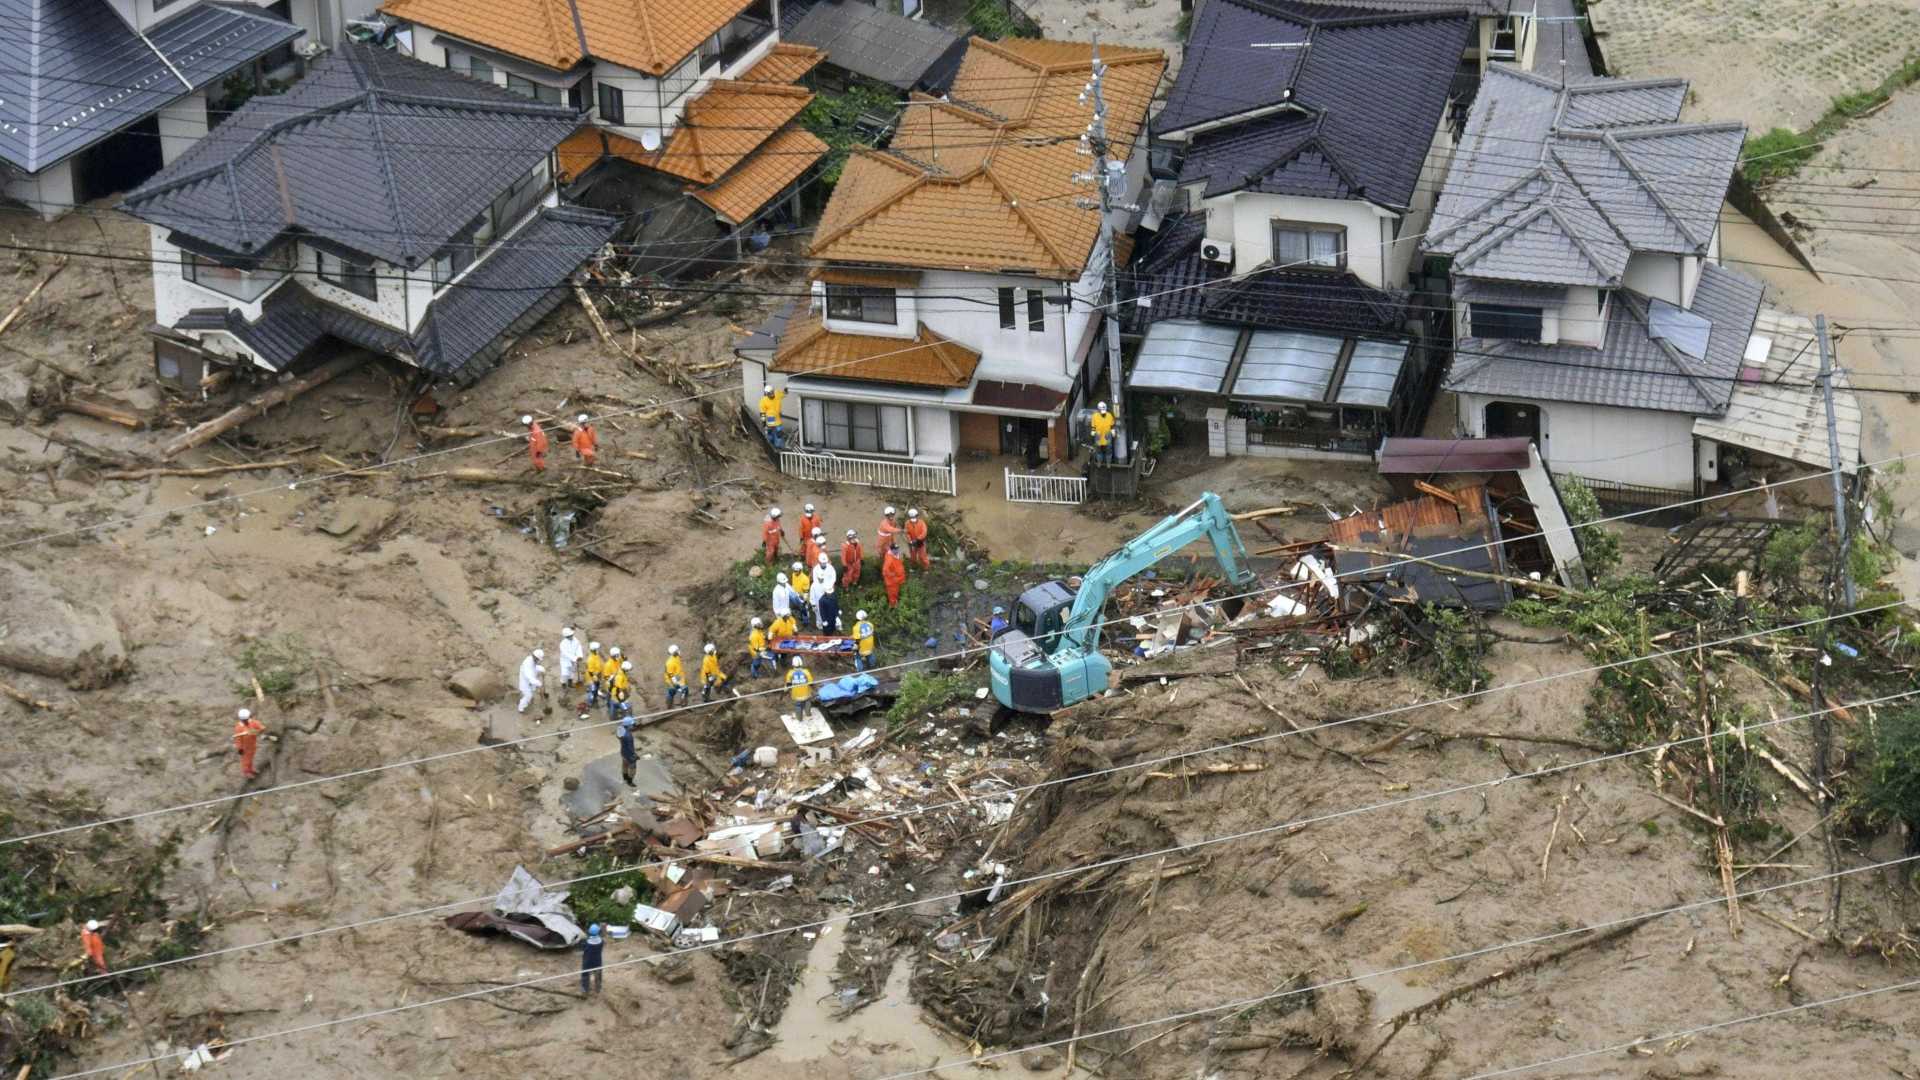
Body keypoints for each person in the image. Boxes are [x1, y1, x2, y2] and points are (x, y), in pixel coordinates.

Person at [233, 708, 266, 780]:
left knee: (251, 758)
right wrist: (240, 748)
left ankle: (250, 769)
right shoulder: (238, 728)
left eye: (246, 719)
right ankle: (246, 772)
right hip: (245, 747)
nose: (246, 721)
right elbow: (238, 739)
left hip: (252, 744)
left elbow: (261, 727)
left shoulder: (252, 722)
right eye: (244, 720)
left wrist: (259, 729)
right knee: (245, 760)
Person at [812, 552, 839, 634]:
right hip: (818, 595)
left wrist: (829, 587)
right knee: (819, 611)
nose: (824, 564)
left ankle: (832, 624)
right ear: (819, 562)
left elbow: (833, 577)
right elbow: (813, 592)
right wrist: (813, 603)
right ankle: (820, 624)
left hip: (828, 592)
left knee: (829, 610)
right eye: (822, 563)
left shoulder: (830, 568)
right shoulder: (816, 570)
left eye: (825, 563)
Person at [516, 649, 545, 715]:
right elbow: (530, 678)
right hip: (525, 681)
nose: (538, 661)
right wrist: (539, 684)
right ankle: (521, 708)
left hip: (531, 679)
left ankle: (529, 700)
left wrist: (542, 670)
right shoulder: (527, 664)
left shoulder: (532, 661)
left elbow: (535, 668)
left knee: (532, 690)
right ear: (535, 657)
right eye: (538, 659)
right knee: (528, 695)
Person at [581, 924, 605, 993]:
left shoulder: (586, 942)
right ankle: (598, 988)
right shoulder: (601, 941)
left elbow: (582, 949)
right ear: (598, 932)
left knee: (585, 975)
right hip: (597, 961)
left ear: (589, 932)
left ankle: (585, 989)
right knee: (598, 974)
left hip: (587, 961)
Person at [882, 543, 907, 608]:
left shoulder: (896, 555)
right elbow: (885, 571)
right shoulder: (889, 559)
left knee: (896, 592)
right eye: (895, 549)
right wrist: (893, 575)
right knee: (893, 593)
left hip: (897, 579)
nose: (897, 550)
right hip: (892, 581)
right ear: (891, 550)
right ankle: (893, 605)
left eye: (897, 549)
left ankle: (895, 602)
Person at [790, 561, 812, 628]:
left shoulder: (805, 579)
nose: (795, 572)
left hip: (802, 596)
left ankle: (806, 622)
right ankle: (800, 616)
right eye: (794, 570)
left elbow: (806, 591)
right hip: (795, 594)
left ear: (800, 570)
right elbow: (794, 584)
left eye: (796, 571)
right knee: (798, 608)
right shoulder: (793, 574)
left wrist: (804, 600)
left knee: (804, 609)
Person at [616, 718, 638, 786]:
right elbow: (630, 748)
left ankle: (625, 778)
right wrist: (635, 756)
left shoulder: (620, 729)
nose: (633, 725)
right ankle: (630, 782)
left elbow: (618, 736)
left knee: (624, 765)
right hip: (629, 755)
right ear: (628, 725)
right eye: (632, 724)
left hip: (623, 752)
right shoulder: (628, 736)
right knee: (632, 768)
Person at [583, 641, 605, 707]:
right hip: (591, 678)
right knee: (592, 690)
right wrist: (594, 678)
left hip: (597, 676)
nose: (598, 650)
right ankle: (590, 702)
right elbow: (590, 671)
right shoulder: (591, 659)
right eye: (597, 649)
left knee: (596, 688)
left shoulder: (596, 656)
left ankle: (595, 697)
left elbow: (599, 664)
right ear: (594, 650)